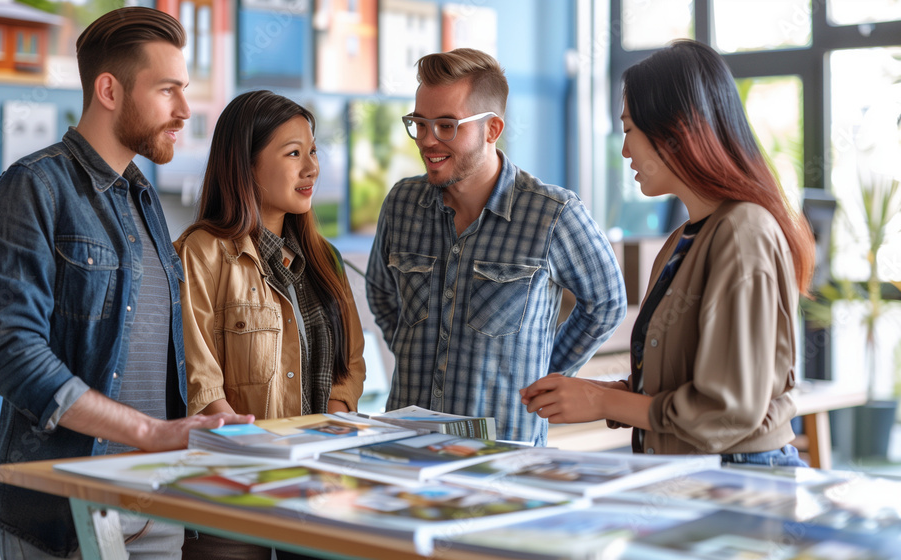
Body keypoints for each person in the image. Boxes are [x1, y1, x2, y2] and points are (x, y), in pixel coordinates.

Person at [0, 8, 253, 559]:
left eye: (185, 90)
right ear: (109, 89)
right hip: (66, 512)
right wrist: (147, 433)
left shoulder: (143, 197)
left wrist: (206, 417)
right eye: (167, 90)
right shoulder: (32, 188)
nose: (183, 110)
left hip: (155, 501)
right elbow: (9, 350)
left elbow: (150, 349)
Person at [520, 40, 815, 468]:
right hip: (688, 476)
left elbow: (726, 411)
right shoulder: (682, 241)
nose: (625, 151)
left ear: (674, 130)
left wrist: (603, 402)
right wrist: (599, 394)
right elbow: (679, 387)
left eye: (628, 130)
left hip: (738, 479)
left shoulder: (743, 231)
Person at [366, 48, 627, 446]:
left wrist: (545, 374)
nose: (427, 140)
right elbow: (382, 294)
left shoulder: (553, 213)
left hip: (504, 453)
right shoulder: (402, 203)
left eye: (447, 126)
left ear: (492, 129)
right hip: (404, 446)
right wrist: (411, 347)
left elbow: (607, 304)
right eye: (419, 123)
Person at [175, 90, 366, 559]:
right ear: (246, 165)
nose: (312, 168)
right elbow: (199, 382)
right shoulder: (199, 252)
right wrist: (262, 460)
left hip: (320, 484)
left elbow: (351, 365)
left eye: (313, 151)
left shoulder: (326, 259)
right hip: (234, 492)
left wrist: (330, 429)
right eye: (293, 153)